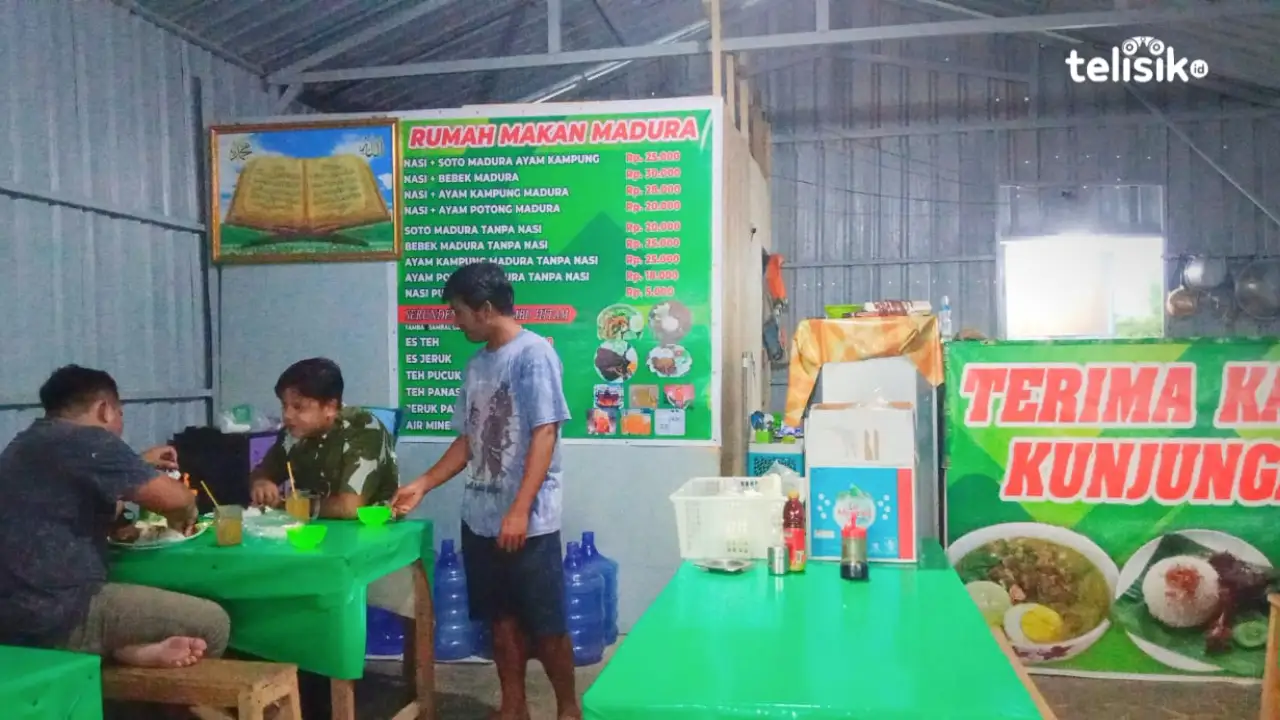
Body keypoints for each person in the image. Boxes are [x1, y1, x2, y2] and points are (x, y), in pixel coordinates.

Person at [393, 262, 578, 720]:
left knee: (547, 626)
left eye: (458, 312)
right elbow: (468, 440)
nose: (455, 322)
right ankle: (512, 706)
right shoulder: (477, 365)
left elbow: (545, 434)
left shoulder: (534, 355)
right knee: (501, 620)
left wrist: (519, 510)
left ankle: (568, 709)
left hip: (528, 522)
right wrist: (422, 484)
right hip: (480, 514)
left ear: (487, 308)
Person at [0, 365, 230, 667]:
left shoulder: (25, 443)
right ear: (105, 409)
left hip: (13, 610)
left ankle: (127, 650)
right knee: (214, 623)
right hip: (56, 614)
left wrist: (135, 466)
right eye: (121, 414)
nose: (120, 423)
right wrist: (184, 511)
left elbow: (82, 499)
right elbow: (178, 499)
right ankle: (123, 665)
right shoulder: (89, 440)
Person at [248, 357, 399, 517]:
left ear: (330, 407)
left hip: (370, 533)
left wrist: (285, 505)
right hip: (310, 531)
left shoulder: (363, 429)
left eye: (298, 407)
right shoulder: (294, 432)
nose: (287, 415)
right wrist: (261, 483)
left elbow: (349, 508)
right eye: (284, 406)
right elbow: (263, 472)